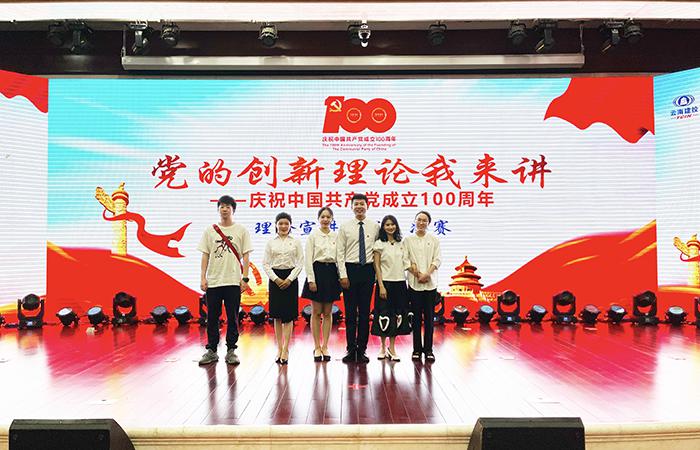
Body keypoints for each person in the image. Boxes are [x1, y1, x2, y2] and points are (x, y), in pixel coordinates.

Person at [197, 195, 252, 365]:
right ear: (218, 209)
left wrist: (245, 278)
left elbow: (246, 256)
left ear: (233, 209)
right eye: (222, 206)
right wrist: (202, 277)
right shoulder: (209, 231)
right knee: (212, 317)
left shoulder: (241, 230)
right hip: (213, 281)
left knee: (233, 317)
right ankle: (212, 350)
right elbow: (205, 255)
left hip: (233, 281)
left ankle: (231, 350)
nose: (225, 209)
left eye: (228, 206)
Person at [336, 193, 380, 363]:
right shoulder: (345, 227)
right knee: (350, 313)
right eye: (356, 204)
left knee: (364, 313)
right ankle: (350, 349)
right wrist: (343, 275)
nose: (359, 207)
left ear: (367, 206)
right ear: (351, 206)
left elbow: (378, 252)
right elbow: (340, 252)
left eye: (362, 204)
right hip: (350, 270)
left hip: (367, 271)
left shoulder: (375, 227)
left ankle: (362, 349)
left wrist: (376, 275)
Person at [301, 207, 341, 362]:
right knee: (316, 312)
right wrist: (311, 279)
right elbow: (308, 259)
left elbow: (340, 258)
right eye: (322, 217)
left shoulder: (336, 236)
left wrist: (341, 277)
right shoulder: (313, 236)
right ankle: (317, 346)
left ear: (332, 219)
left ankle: (325, 346)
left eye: (328, 217)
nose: (325, 219)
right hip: (317, 272)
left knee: (328, 312)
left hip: (331, 273)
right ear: (318, 219)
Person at [263, 212, 303, 365]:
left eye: (286, 223)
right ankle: (279, 348)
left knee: (289, 316)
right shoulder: (270, 242)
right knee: (277, 316)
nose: (283, 226)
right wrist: (276, 279)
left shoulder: (296, 242)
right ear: (276, 225)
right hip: (275, 279)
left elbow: (300, 262)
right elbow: (266, 263)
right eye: (280, 223)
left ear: (290, 225)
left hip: (291, 279)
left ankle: (286, 349)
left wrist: (290, 279)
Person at [372, 215, 410, 362]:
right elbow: (377, 266)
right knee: (384, 315)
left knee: (397, 315)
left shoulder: (402, 243)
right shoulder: (379, 244)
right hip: (385, 283)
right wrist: (381, 285)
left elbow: (406, 262)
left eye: (393, 224)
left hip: (400, 283)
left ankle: (392, 348)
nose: (390, 227)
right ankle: (382, 347)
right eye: (387, 225)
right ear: (383, 227)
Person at [405, 210, 442, 362]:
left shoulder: (434, 240)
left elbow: (437, 260)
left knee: (429, 319)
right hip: (414, 285)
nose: (421, 223)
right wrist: (417, 274)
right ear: (414, 221)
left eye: (424, 220)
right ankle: (416, 349)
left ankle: (428, 350)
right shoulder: (408, 240)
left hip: (430, 284)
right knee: (415, 319)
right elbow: (405, 260)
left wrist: (427, 274)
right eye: (419, 220)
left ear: (428, 223)